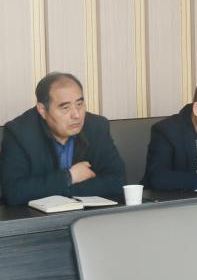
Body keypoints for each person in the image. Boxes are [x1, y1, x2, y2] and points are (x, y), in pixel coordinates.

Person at [0, 72, 125, 205]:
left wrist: (59, 189)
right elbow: (14, 192)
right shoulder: (19, 133)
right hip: (35, 216)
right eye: (65, 108)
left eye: (79, 104)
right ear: (42, 110)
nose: (76, 115)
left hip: (89, 215)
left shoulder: (96, 127)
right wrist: (69, 177)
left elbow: (118, 182)